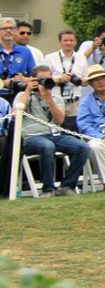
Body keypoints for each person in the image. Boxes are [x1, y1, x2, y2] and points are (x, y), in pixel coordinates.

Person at [14, 66, 90, 196]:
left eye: (48, 78)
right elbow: (16, 113)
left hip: (54, 135)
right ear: (33, 79)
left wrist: (49, 99)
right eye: (41, 79)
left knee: (83, 147)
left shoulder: (56, 97)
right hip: (31, 138)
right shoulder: (22, 95)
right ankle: (48, 189)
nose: (44, 81)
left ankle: (67, 186)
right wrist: (28, 90)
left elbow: (59, 120)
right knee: (47, 146)